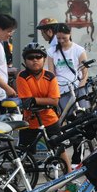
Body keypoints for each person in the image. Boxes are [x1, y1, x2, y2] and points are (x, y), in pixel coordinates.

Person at [16, 42, 71, 171]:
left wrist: (35, 100)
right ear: (25, 60)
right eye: (30, 58)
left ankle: (69, 174)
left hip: (50, 118)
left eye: (38, 57)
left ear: (44, 59)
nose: (35, 60)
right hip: (30, 120)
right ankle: (19, 177)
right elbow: (26, 102)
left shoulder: (50, 77)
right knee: (23, 151)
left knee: (59, 146)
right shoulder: (22, 76)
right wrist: (45, 101)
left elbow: (54, 101)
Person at [47, 23, 88, 112]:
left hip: (77, 89)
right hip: (61, 91)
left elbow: (85, 73)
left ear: (70, 34)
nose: (61, 41)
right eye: (58, 38)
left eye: (64, 38)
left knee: (83, 115)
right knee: (66, 117)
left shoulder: (79, 50)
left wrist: (80, 89)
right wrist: (54, 91)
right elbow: (51, 73)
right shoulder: (51, 51)